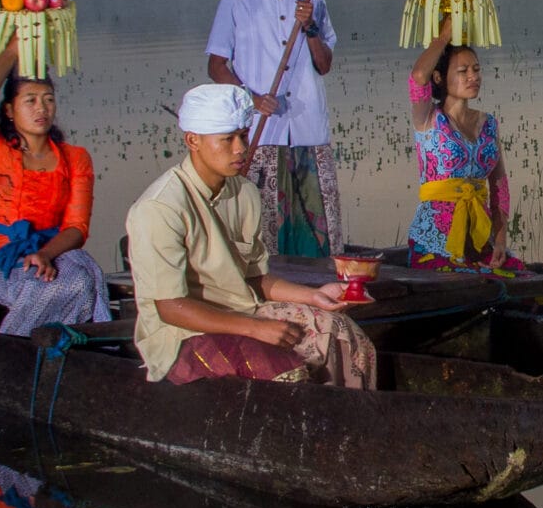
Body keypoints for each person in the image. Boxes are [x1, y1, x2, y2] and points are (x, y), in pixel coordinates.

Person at [126, 84, 376, 388]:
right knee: (287, 373)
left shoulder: (243, 192)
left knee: (343, 336)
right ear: (193, 140)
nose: (240, 148)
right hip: (182, 334)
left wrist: (314, 296)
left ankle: (345, 426)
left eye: (243, 136)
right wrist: (255, 328)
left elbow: (255, 278)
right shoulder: (160, 207)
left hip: (245, 310)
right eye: (227, 139)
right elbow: (170, 307)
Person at [205, 0, 344, 256]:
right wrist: (251, 99)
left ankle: (321, 279)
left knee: (318, 221)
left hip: (308, 126)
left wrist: (310, 26)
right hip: (261, 131)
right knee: (262, 222)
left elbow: (324, 64)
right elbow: (216, 65)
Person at [0, 36, 110, 335]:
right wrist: (13, 51)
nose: (41, 109)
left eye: (48, 99)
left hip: (53, 253)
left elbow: (76, 227)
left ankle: (61, 353)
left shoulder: (75, 158)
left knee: (83, 280)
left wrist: (45, 254)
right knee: (50, 287)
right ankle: (12, 353)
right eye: (30, 100)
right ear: (9, 110)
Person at [404, 14, 527, 273]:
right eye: (463, 71)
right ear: (439, 78)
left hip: (479, 238)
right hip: (435, 240)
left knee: (518, 275)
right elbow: (417, 77)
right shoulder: (429, 118)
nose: (473, 77)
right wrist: (444, 36)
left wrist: (501, 240)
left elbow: (499, 186)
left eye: (476, 69)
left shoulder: (488, 123)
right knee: (464, 280)